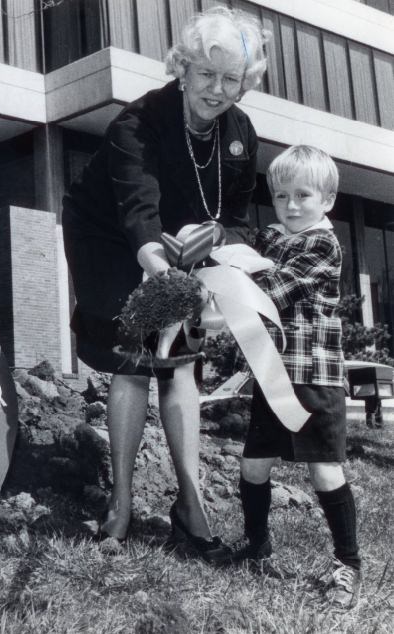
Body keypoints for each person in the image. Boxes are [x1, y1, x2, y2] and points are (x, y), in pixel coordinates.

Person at [61, 6, 269, 561]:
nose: (217, 89)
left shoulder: (241, 134)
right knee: (133, 358)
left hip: (181, 249)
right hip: (109, 235)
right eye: (206, 74)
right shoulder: (137, 122)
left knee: (181, 362)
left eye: (232, 79)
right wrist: (164, 273)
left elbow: (238, 217)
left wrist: (215, 258)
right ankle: (122, 503)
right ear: (182, 67)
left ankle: (190, 506)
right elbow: (137, 209)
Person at [233, 145, 362, 609]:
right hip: (273, 376)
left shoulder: (322, 244)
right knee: (253, 464)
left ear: (327, 200)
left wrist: (230, 285)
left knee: (323, 468)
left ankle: (347, 564)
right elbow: (237, 255)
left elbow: (275, 290)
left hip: (314, 376)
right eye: (281, 194)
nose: (290, 205)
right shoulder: (270, 237)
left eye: (303, 195)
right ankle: (256, 546)